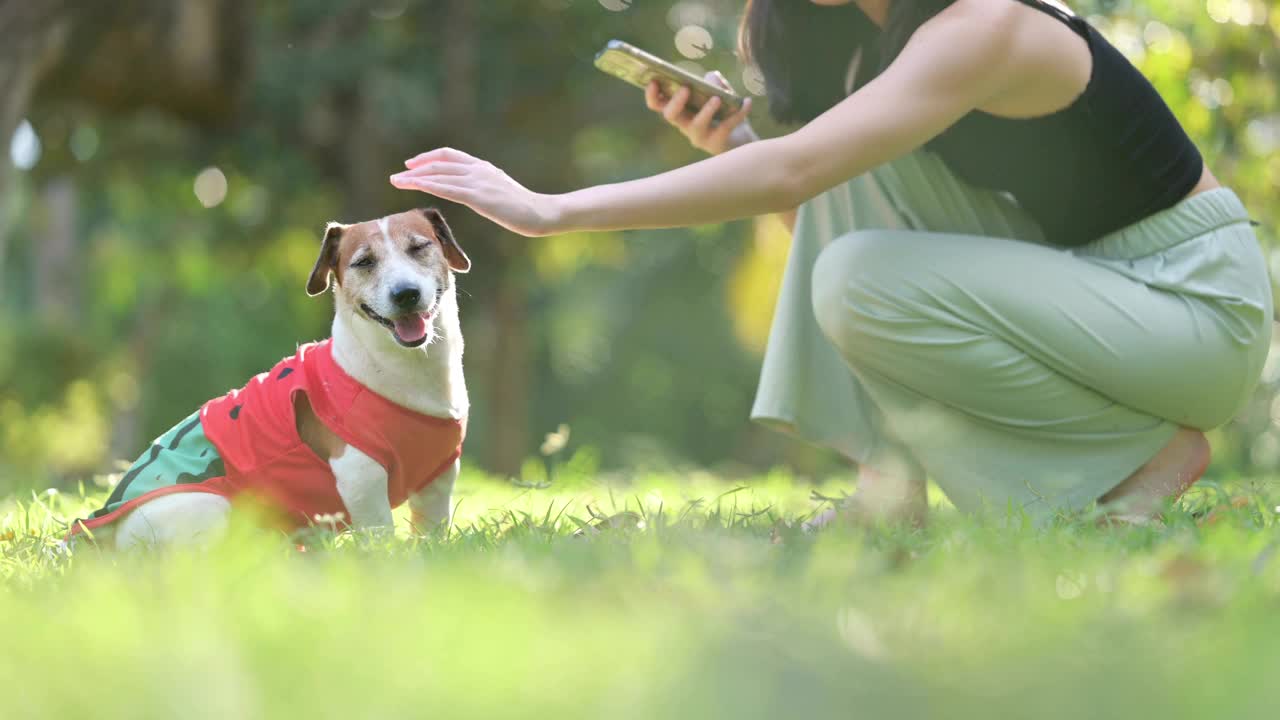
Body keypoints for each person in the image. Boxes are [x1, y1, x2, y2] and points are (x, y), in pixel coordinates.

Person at [390, 0, 1272, 525]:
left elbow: (801, 170)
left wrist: (552, 211)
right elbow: (821, 195)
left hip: (1189, 306)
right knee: (847, 208)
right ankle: (891, 481)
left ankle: (1137, 459)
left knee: (854, 272)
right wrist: (732, 139)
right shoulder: (881, 50)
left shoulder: (986, 23)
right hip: (1097, 293)